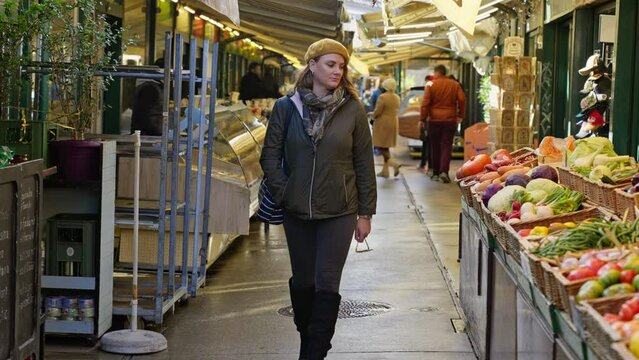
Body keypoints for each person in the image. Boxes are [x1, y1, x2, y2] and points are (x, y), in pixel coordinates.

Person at [260, 38, 377, 360]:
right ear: (311, 65)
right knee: (303, 282)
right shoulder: (286, 108)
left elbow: (364, 163)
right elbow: (269, 155)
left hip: (340, 209)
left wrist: (366, 212)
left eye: (341, 66)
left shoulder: (352, 110)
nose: (337, 71)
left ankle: (314, 355)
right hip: (296, 210)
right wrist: (284, 190)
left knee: (327, 282)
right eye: (330, 64)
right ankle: (306, 343)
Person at [420, 64, 465, 183]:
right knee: (446, 146)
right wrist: (460, 115)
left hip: (434, 120)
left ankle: (435, 173)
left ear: (436, 73)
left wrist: (422, 119)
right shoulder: (455, 84)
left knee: (434, 146)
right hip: (450, 119)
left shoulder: (430, 84)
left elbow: (425, 103)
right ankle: (444, 171)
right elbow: (462, 99)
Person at [371, 78, 401, 177]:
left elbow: (378, 111)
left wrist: (372, 115)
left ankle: (394, 164)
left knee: (381, 146)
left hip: (383, 124)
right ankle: (385, 172)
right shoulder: (397, 97)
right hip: (393, 123)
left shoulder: (382, 97)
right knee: (386, 147)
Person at [131, 58, 165, 136]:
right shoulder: (150, 88)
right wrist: (157, 132)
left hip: (147, 133)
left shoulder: (151, 85)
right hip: (148, 135)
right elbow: (145, 114)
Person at [417, 74, 434, 171]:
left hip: (430, 120)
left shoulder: (430, 88)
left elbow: (425, 105)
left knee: (427, 143)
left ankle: (427, 164)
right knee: (429, 144)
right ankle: (429, 165)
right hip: (433, 120)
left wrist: (422, 119)